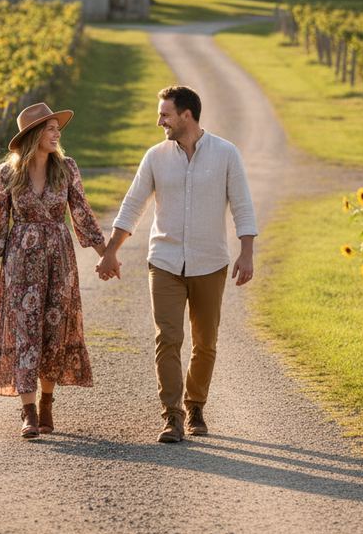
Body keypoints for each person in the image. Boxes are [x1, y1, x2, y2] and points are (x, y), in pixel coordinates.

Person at [96, 85, 257, 443]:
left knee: (205, 342)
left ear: (187, 115)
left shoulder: (226, 154)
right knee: (168, 339)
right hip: (164, 261)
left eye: (165, 114)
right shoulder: (155, 157)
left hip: (210, 262)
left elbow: (243, 205)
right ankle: (172, 415)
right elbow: (133, 204)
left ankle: (196, 404)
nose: (159, 121)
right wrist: (111, 250)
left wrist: (246, 253)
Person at [0, 102, 106, 439]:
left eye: (56, 128)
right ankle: (28, 412)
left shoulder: (67, 168)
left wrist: (107, 255)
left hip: (59, 260)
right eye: (49, 128)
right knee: (25, 332)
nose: (56, 133)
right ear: (34, 135)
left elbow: (83, 216)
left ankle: (47, 403)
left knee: (53, 332)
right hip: (20, 262)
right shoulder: (8, 174)